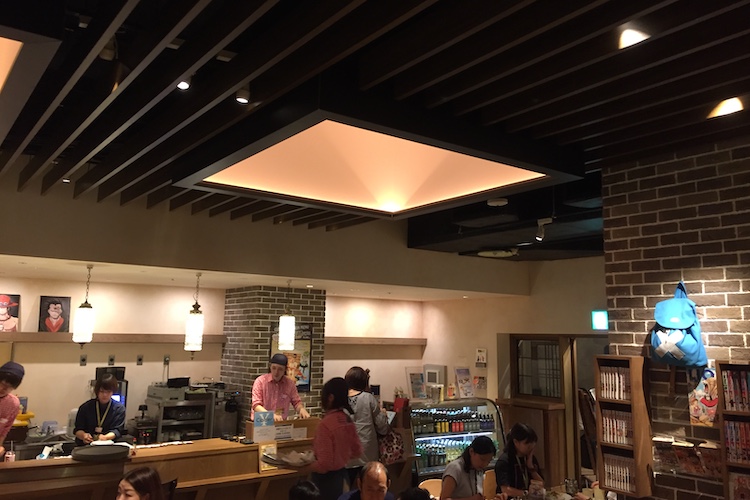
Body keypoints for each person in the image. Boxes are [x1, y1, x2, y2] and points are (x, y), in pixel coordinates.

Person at [311, 377, 363, 500]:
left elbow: (324, 464)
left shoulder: (325, 425)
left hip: (326, 483)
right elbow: (357, 451)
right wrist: (341, 456)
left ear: (330, 398)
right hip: (343, 477)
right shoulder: (347, 419)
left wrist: (304, 467)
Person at [345, 366, 389, 487]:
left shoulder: (340, 400)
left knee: (347, 490)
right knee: (368, 488)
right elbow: (382, 427)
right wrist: (384, 414)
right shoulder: (368, 398)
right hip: (367, 454)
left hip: (346, 456)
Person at [252, 353, 311, 422]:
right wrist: (270, 416)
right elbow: (256, 405)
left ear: (285, 370)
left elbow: (296, 402)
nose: (276, 372)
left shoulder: (290, 384)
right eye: (274, 368)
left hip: (280, 423)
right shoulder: (260, 381)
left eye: (280, 369)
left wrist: (301, 409)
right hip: (261, 422)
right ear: (270, 367)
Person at [74, 373, 126, 445]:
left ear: (113, 392)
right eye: (102, 391)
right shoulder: (85, 407)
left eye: (108, 392)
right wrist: (84, 436)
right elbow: (78, 430)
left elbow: (117, 430)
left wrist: (105, 437)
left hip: (108, 446)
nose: (105, 395)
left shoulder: (119, 409)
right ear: (97, 391)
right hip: (86, 446)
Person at [441, 435, 497, 500]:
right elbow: (443, 499)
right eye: (482, 459)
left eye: (488, 461)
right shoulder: (455, 468)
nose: (485, 464)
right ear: (471, 452)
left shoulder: (478, 469)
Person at [495, 423, 543, 498]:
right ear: (516, 442)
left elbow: (541, 484)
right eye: (527, 444)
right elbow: (505, 490)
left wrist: (531, 467)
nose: (531, 447)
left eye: (533, 443)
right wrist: (526, 494)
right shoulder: (504, 461)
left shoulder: (530, 458)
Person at [0, 361, 24, 457]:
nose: (3, 389)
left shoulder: (13, 404)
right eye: (2, 384)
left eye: (9, 387)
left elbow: (4, 430)